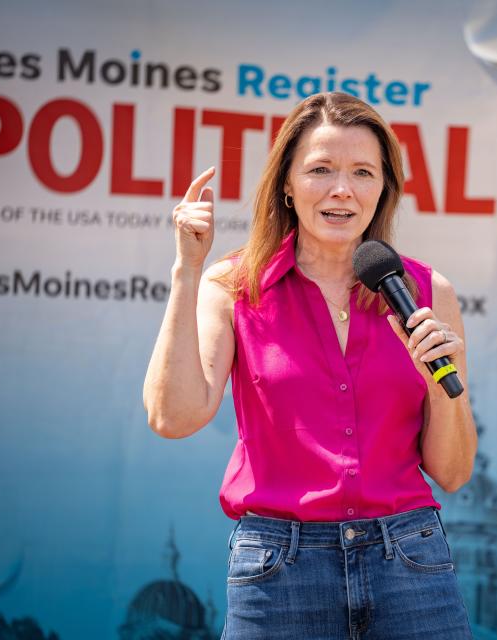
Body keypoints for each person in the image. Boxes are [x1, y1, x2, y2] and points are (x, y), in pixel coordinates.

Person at [143, 92, 477, 639]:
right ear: (287, 186)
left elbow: (454, 472)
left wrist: (442, 386)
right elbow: (171, 416)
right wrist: (187, 268)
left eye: (363, 172)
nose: (342, 189)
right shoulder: (233, 286)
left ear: (382, 190)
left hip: (410, 563)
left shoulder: (426, 293)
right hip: (280, 570)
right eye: (320, 169)